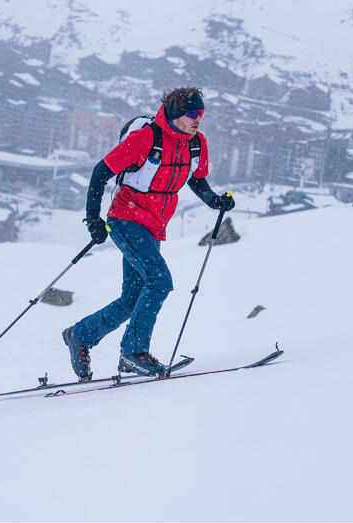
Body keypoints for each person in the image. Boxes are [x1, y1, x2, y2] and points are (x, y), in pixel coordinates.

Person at [62, 87, 235, 379]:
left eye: (201, 113)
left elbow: (197, 179)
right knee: (159, 281)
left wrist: (215, 200)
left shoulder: (196, 143)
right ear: (176, 113)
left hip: (154, 224)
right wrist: (93, 218)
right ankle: (133, 352)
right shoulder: (146, 138)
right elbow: (100, 172)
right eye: (193, 113)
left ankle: (79, 335)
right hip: (126, 219)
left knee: (131, 300)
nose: (198, 120)